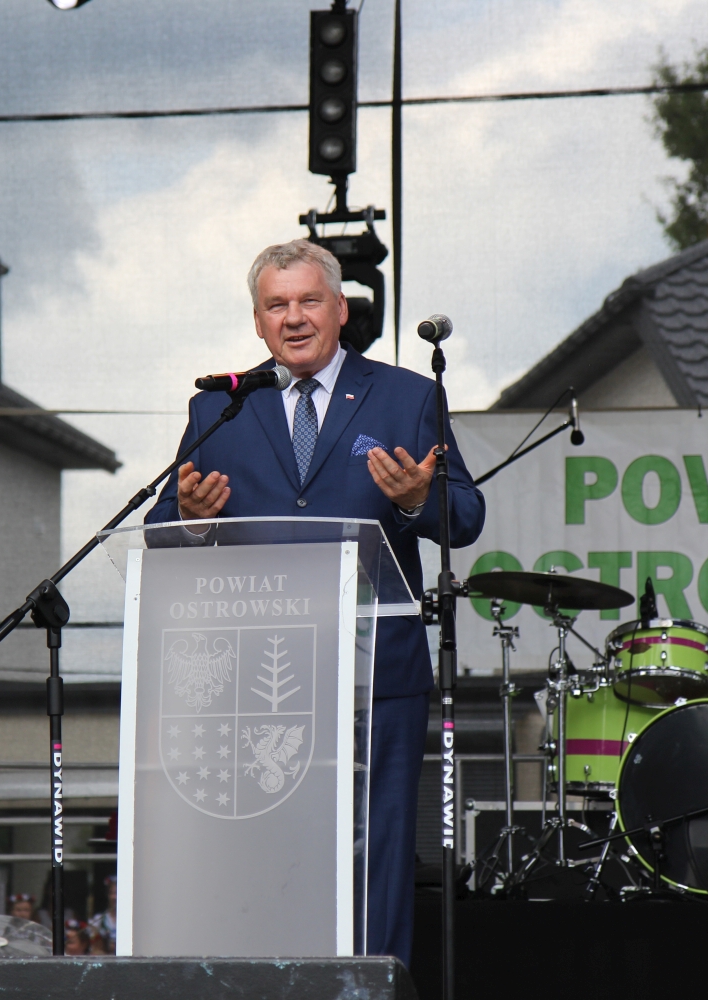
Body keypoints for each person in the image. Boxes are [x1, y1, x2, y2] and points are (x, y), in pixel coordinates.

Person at [146, 239, 485, 965]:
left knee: (378, 848)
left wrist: (419, 499)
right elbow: (160, 526)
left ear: (340, 310)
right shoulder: (220, 408)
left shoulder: (406, 397)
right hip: (255, 681)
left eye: (308, 301)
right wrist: (190, 521)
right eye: (277, 305)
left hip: (377, 672)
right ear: (258, 322)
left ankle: (373, 985)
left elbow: (467, 514)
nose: (294, 317)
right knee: (261, 849)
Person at [87, 875, 116, 953]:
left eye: (117, 893)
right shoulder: (98, 919)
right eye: (111, 893)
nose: (114, 897)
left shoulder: (130, 919)